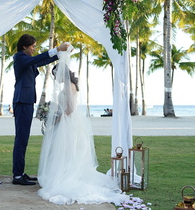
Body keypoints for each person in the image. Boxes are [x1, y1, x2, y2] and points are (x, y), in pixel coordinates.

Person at [37, 43, 129, 205]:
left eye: (55, 75)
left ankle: (66, 178)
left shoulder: (68, 86)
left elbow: (70, 109)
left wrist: (57, 118)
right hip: (71, 123)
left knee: (66, 152)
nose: (55, 79)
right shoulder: (72, 85)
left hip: (68, 123)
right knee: (68, 153)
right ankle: (66, 174)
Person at [12, 34, 69, 186]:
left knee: (24, 139)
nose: (34, 49)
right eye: (33, 46)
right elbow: (36, 59)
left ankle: (20, 172)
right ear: (24, 46)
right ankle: (17, 176)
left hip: (27, 101)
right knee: (21, 139)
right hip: (22, 101)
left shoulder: (28, 60)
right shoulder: (19, 57)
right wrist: (56, 49)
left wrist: (59, 54)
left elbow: (41, 60)